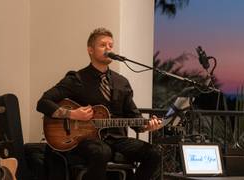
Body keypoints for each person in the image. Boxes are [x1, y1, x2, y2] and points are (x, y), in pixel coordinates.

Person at [37, 27, 163, 180]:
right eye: (103, 45)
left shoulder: (121, 82)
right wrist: (73, 114)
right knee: (101, 151)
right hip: (85, 139)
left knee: (154, 153)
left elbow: (134, 118)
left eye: (110, 45)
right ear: (90, 50)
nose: (108, 48)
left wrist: (147, 125)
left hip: (116, 139)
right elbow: (43, 102)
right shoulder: (77, 79)